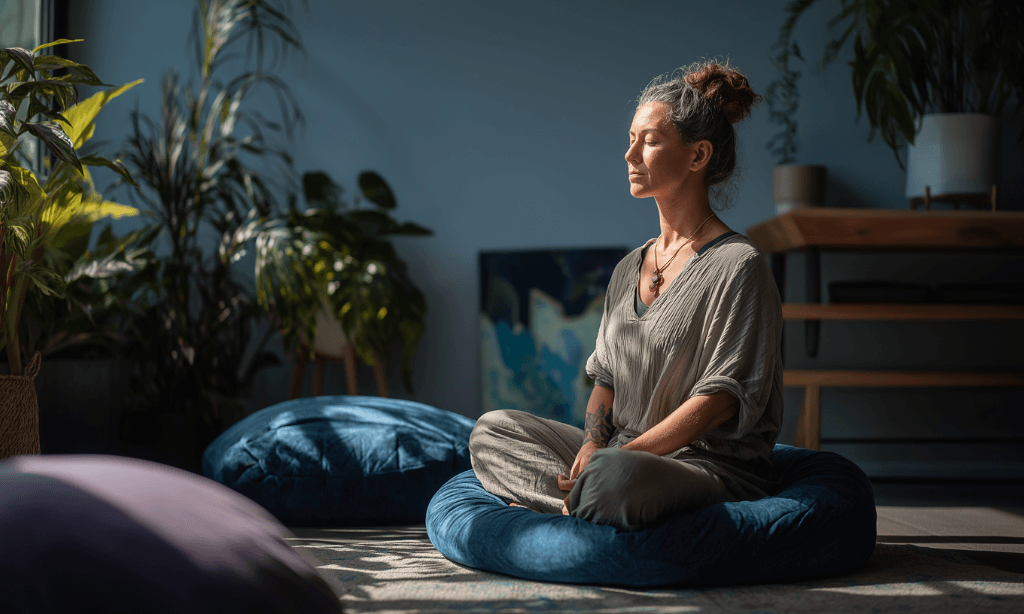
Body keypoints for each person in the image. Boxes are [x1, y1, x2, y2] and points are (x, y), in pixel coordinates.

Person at [469, 61, 784, 532]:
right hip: (619, 453)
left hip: (701, 465)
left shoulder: (740, 265)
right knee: (490, 433)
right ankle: (579, 508)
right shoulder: (626, 270)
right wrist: (593, 446)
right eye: (631, 139)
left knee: (618, 478)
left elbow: (720, 400)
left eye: (650, 141)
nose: (630, 154)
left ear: (698, 156)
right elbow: (606, 379)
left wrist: (621, 457)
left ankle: (572, 505)